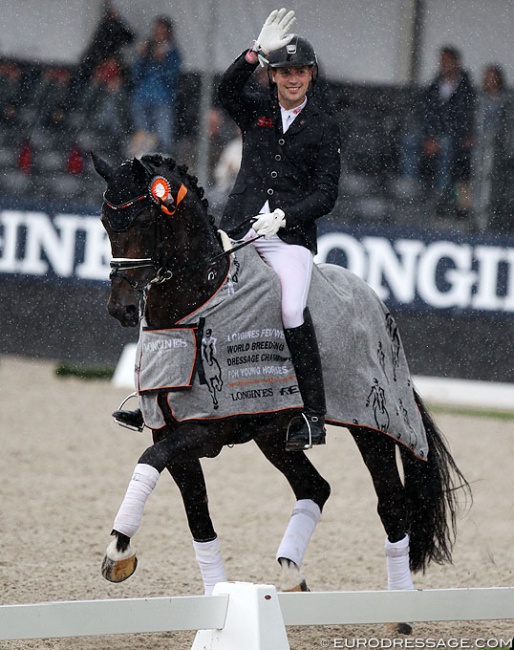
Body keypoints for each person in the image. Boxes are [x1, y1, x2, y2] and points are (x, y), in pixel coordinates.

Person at [218, 9, 341, 451]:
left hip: (288, 238)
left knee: (292, 309)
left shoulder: (324, 126)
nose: (292, 79)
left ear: (310, 75)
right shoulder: (256, 109)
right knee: (192, 286)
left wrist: (286, 216)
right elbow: (224, 89)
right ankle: (164, 393)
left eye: (300, 72)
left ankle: (312, 416)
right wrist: (253, 52)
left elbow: (327, 194)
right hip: (240, 228)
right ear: (273, 75)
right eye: (284, 71)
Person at [422, 46, 476, 217]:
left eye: (447, 61)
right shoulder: (433, 87)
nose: (443, 65)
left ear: (456, 63)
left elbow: (464, 119)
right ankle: (408, 189)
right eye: (441, 61)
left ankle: (441, 193)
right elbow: (426, 113)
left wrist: (446, 135)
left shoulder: (467, 90)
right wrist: (430, 136)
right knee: (409, 140)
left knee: (447, 146)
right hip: (434, 134)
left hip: (454, 136)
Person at [130, 16, 182, 156]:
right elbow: (135, 75)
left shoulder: (173, 53)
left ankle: (164, 166)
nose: (158, 34)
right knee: (143, 138)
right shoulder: (147, 50)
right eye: (156, 30)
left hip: (162, 100)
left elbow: (172, 78)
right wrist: (141, 58)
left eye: (162, 30)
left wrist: (162, 62)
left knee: (163, 137)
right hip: (142, 99)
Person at [471, 63, 512, 232]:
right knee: (477, 187)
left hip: (498, 154)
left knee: (494, 191)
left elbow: (506, 131)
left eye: (492, 77)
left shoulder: (507, 103)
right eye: (486, 77)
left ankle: (490, 224)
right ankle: (476, 221)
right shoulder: (477, 101)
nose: (488, 81)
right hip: (478, 151)